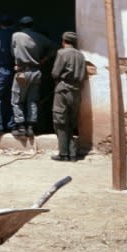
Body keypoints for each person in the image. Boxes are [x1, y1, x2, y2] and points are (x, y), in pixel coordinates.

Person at [11, 16, 57, 137]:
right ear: (32, 25)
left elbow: (12, 52)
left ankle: (21, 127)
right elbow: (53, 48)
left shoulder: (16, 36)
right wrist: (43, 59)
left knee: (17, 100)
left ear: (20, 25)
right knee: (33, 100)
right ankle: (31, 127)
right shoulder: (40, 37)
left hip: (22, 72)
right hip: (36, 71)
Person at [51, 32, 86, 161]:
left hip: (63, 89)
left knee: (60, 121)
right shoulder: (81, 56)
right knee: (72, 122)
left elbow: (55, 73)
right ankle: (72, 153)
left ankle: (63, 153)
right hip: (76, 91)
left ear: (64, 40)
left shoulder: (62, 53)